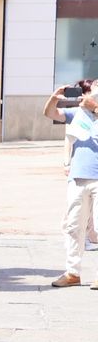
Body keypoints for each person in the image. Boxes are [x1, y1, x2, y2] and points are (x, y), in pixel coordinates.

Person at [46, 81, 98, 288]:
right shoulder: (79, 113)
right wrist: (54, 97)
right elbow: (50, 114)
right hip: (78, 177)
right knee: (74, 226)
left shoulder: (89, 109)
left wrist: (93, 107)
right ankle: (72, 272)